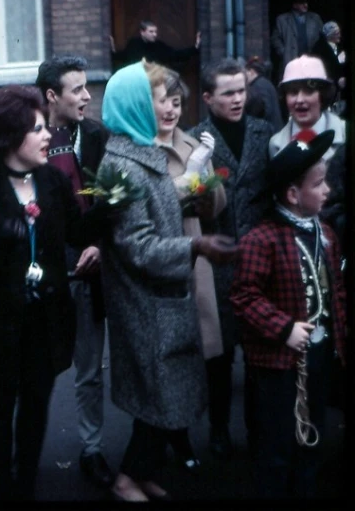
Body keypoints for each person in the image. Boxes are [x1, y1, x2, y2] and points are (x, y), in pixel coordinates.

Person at [100, 60, 237, 502]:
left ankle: (140, 473)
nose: (165, 106)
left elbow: (167, 200)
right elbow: (137, 247)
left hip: (161, 299)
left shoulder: (138, 151)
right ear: (135, 104)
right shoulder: (119, 165)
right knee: (158, 398)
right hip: (146, 303)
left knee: (161, 398)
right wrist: (194, 248)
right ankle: (126, 480)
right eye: (155, 98)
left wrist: (198, 174)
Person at [0, 84, 108, 500]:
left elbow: (77, 231)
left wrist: (107, 212)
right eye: (38, 129)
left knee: (35, 407)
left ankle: (24, 483)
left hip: (46, 319)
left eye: (46, 127)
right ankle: (4, 486)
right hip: (0, 324)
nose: (48, 136)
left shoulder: (52, 180)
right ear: (8, 136)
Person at [230, 129, 346, 498]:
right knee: (277, 445)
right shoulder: (260, 239)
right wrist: (283, 328)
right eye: (320, 183)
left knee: (312, 437)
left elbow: (336, 291)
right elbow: (244, 296)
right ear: (294, 195)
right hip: (278, 364)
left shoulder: (325, 232)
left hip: (320, 356)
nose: (327, 190)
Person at [187, 57, 274, 461]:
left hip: (260, 261)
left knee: (259, 354)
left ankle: (260, 430)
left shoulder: (263, 133)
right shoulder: (195, 141)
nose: (238, 99)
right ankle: (219, 430)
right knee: (219, 356)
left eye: (242, 90)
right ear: (208, 98)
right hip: (218, 261)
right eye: (228, 93)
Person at [34, 54, 112, 489]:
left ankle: (92, 447)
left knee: (89, 367)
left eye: (87, 87)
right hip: (43, 274)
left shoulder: (98, 136)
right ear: (52, 96)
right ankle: (23, 453)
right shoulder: (29, 137)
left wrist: (98, 245)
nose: (86, 96)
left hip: (88, 271)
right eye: (77, 89)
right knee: (37, 369)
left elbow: (109, 207)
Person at [154, 68, 228, 472]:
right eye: (163, 101)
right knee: (174, 354)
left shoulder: (189, 142)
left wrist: (207, 183)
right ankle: (176, 439)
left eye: (177, 101)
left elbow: (217, 205)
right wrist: (193, 175)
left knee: (210, 349)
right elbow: (158, 202)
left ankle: (214, 432)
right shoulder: (142, 147)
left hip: (196, 252)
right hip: (165, 257)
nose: (171, 109)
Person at [269, 55, 345, 162]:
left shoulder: (345, 133)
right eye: (293, 92)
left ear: (322, 95)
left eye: (308, 91)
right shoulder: (275, 144)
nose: (299, 100)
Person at [270, 0, 324, 83]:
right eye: (302, 3)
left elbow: (322, 37)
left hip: (310, 61)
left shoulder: (315, 18)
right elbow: (275, 39)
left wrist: (318, 52)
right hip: (290, 60)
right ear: (295, 5)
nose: (305, 5)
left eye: (306, 3)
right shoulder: (282, 20)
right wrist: (283, 52)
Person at [110, 20, 201, 69]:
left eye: (155, 32)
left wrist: (195, 48)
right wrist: (112, 49)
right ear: (142, 32)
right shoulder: (134, 44)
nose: (155, 34)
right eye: (151, 31)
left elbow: (175, 54)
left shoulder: (159, 46)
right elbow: (124, 56)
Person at [244, 56, 285, 133]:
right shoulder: (265, 83)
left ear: (252, 71)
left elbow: (265, 111)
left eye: (246, 72)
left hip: (269, 132)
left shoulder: (257, 87)